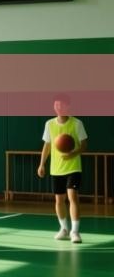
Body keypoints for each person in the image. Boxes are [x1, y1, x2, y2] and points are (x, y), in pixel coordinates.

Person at [37, 95, 88, 243]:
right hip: (56, 168)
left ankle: (75, 231)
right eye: (56, 105)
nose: (58, 108)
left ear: (68, 107)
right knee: (59, 200)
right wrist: (42, 164)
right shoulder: (49, 124)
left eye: (61, 105)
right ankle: (64, 229)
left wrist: (73, 153)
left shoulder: (77, 123)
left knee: (72, 197)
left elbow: (84, 145)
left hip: (73, 167)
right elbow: (47, 145)